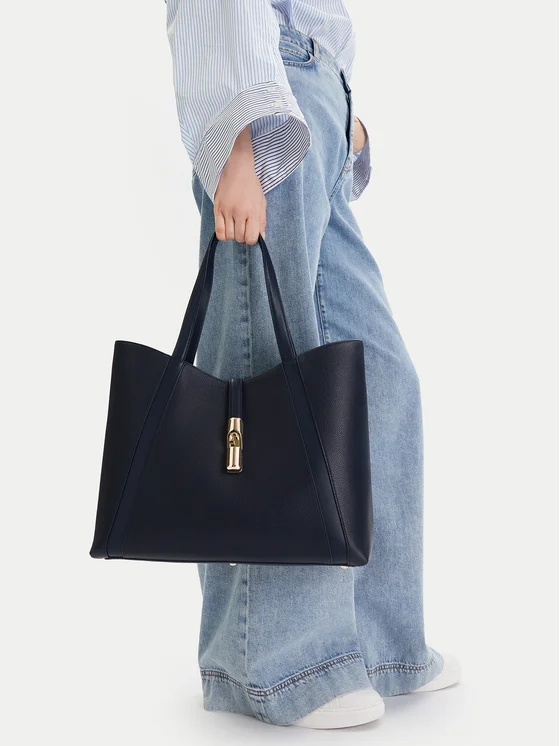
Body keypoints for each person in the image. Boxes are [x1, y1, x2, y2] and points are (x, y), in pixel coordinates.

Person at [165, 0, 460, 729]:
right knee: (271, 378)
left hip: (316, 99)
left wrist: (339, 102)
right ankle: (277, 665)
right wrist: (239, 131)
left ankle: (376, 645)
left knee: (382, 379)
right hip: (265, 100)